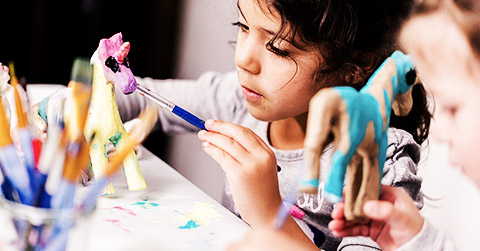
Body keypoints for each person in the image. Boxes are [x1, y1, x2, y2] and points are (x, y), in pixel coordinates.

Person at [38, 0, 431, 250]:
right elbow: (136, 96)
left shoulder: (379, 157)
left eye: (277, 47)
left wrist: (268, 211)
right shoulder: (237, 97)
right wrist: (70, 105)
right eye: (243, 28)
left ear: (354, 65)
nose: (245, 58)